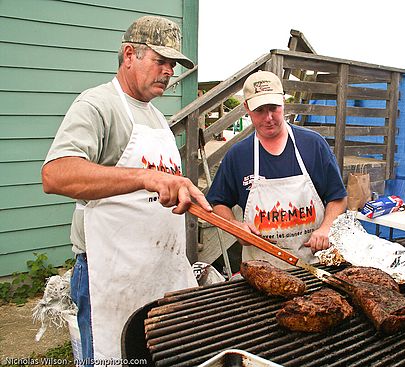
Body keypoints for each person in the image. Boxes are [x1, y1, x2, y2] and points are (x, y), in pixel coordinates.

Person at [41, 16, 211, 362]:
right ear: (129, 54)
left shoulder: (157, 117)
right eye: (160, 61)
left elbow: (158, 185)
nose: (168, 71)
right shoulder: (98, 104)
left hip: (156, 271)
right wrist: (146, 177)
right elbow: (56, 174)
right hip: (110, 272)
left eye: (173, 64)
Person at [206, 71, 348, 269]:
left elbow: (338, 197)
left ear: (284, 102)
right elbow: (218, 202)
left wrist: (326, 228)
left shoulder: (313, 145)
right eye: (260, 111)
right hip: (261, 270)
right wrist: (236, 227)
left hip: (313, 266)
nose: (269, 118)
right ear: (247, 108)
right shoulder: (238, 155)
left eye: (274, 108)